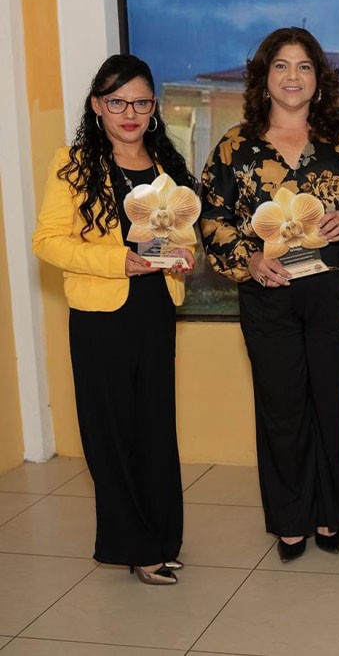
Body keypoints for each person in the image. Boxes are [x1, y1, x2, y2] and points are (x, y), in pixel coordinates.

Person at [200, 27, 339, 562]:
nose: (292, 76)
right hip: (268, 290)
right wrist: (249, 260)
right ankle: (289, 519)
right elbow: (211, 218)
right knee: (281, 406)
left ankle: (330, 514)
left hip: (333, 293)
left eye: (304, 66)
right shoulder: (235, 146)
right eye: (281, 65)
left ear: (318, 80)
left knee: (329, 399)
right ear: (264, 77)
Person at [33, 54, 196, 585]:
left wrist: (184, 255)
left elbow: (181, 231)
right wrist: (116, 260)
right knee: (110, 432)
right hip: (102, 312)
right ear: (97, 105)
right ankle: (133, 545)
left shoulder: (168, 167)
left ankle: (163, 536)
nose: (129, 112)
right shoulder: (74, 164)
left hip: (156, 309)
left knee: (154, 427)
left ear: (154, 108)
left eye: (141, 101)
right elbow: (48, 242)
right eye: (117, 101)